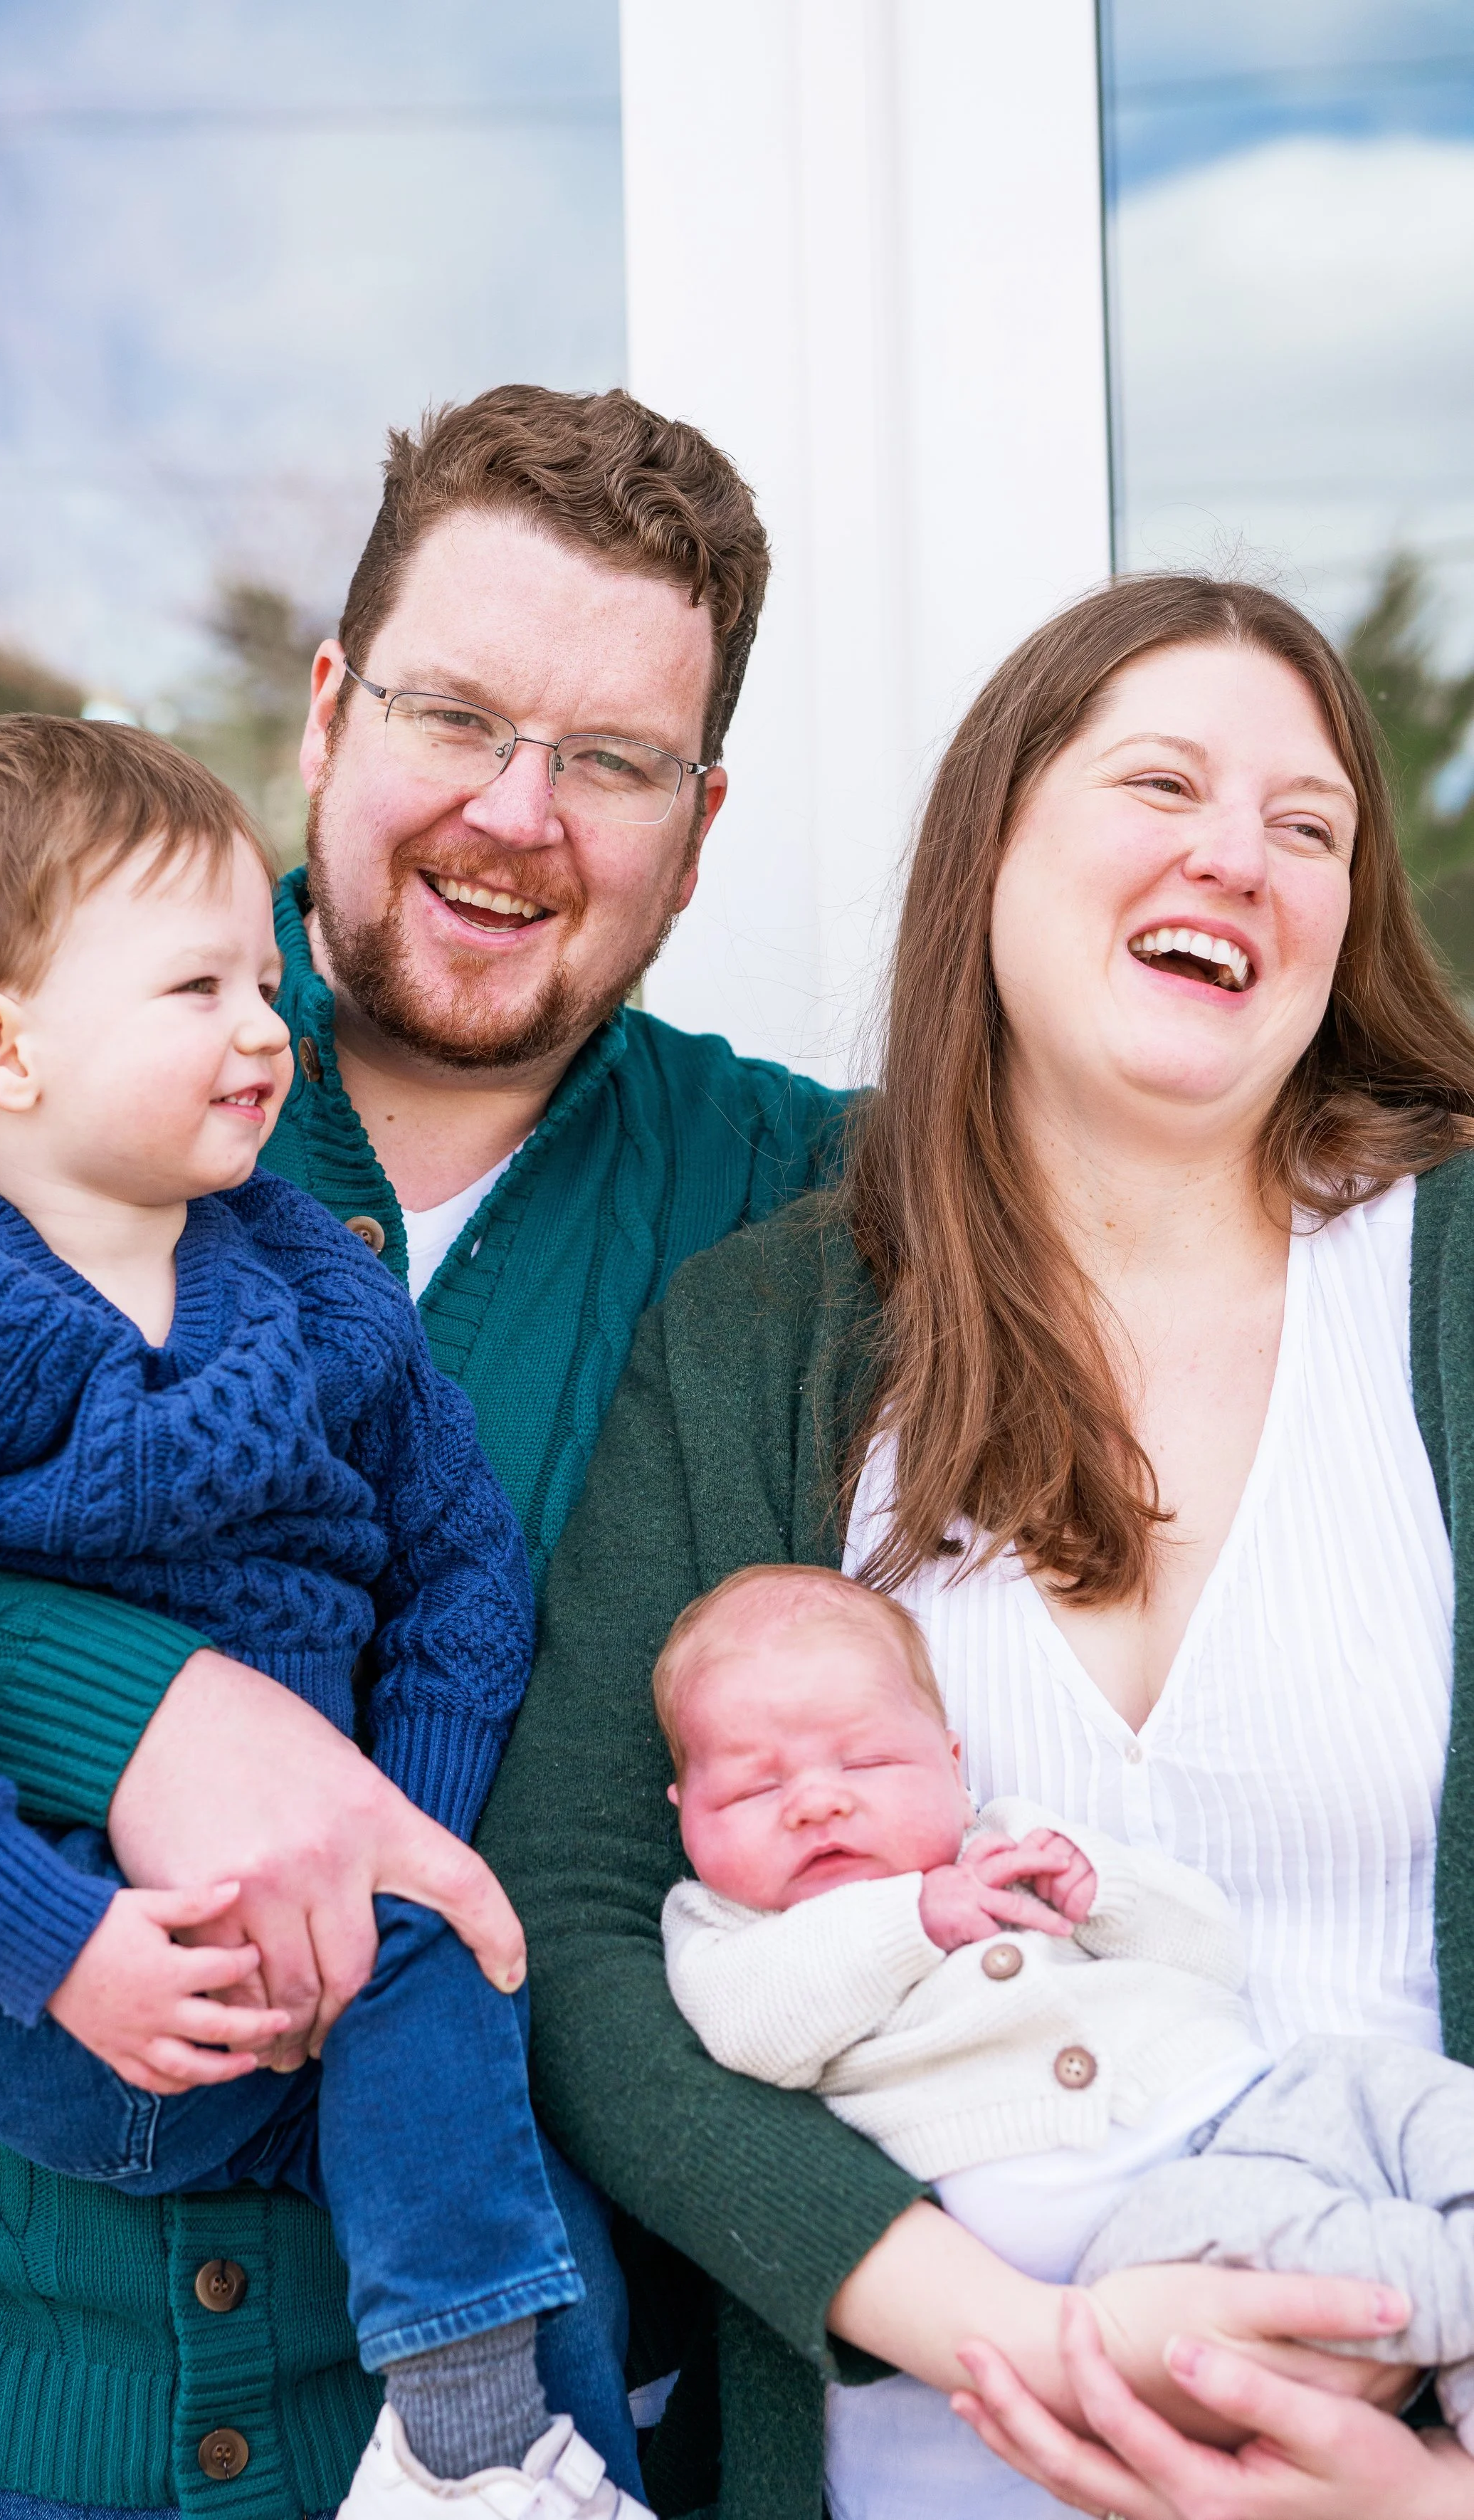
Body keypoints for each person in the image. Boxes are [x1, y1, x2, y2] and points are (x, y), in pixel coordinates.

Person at [0, 382, 845, 2520]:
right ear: (326, 709)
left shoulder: (782, 1197)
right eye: (454, 713)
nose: (518, 809)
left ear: (698, 816)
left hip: (532, 2456)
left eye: (608, 760)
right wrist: (135, 1711)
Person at [480, 572, 1474, 2520]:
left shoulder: (1442, 1280)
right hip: (927, 2460)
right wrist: (979, 2323)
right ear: (989, 846)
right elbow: (579, 1925)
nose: (1236, 856)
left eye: (1307, 828)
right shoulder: (767, 1333)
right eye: (1162, 782)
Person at [0, 713, 657, 2520]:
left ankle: (491, 2457)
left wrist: (393, 1834)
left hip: (326, 1979)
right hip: (39, 1998)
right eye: (199, 989)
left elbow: (459, 1571)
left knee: (533, 2220)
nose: (266, 1027)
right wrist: (60, 1941)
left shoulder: (297, 1272)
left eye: (262, 973)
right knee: (467, 2156)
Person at [652, 1563, 1474, 2503]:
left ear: (953, 1763)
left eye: (868, 1764)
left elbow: (1212, 1950)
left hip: (1257, 2097)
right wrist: (912, 1921)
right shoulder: (727, 1931)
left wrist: (1105, 1892)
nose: (815, 1802)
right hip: (1130, 2224)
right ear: (683, 1815)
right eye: (753, 1792)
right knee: (1320, 2257)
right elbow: (751, 2029)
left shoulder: (1010, 1839)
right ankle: (1455, 2292)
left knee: (1412, 2095)